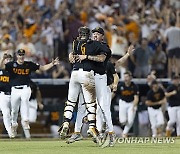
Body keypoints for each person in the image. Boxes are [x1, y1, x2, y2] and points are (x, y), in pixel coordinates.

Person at [58, 26, 109, 145]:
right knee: (90, 105)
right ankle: (91, 128)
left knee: (71, 102)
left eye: (97, 33)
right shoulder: (94, 44)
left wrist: (76, 54)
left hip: (76, 74)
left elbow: (103, 55)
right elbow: (105, 53)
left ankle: (66, 123)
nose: (95, 35)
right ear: (89, 34)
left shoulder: (75, 43)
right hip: (88, 75)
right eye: (93, 33)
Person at [5, 49, 59, 138]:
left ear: (24, 56)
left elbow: (42, 68)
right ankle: (14, 123)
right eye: (19, 55)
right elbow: (2, 67)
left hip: (25, 88)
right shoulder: (12, 65)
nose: (21, 56)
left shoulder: (28, 64)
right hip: (15, 89)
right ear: (16, 56)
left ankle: (25, 120)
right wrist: (3, 59)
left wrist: (52, 64)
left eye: (22, 54)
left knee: (25, 101)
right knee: (14, 110)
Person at [116, 71, 139, 138]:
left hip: (131, 103)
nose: (125, 78)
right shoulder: (121, 85)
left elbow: (136, 98)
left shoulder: (134, 86)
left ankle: (124, 133)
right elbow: (114, 94)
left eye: (127, 77)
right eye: (124, 77)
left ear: (130, 78)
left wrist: (133, 107)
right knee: (122, 121)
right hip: (123, 103)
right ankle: (123, 123)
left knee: (131, 120)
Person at [0, 54, 13, 138]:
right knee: (6, 114)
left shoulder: (13, 71)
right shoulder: (0, 70)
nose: (7, 61)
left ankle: (11, 129)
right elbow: (1, 66)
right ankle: (10, 132)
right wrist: (3, 59)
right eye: (6, 59)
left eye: (9, 59)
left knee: (13, 114)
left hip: (13, 95)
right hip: (3, 94)